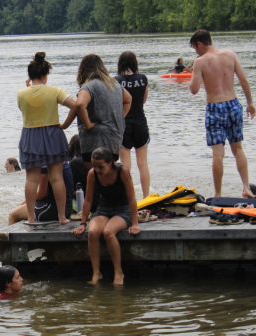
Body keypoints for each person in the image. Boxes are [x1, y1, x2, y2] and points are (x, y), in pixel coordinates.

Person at [18, 52, 94, 225]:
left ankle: (30, 218)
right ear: (45, 75)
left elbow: (24, 111)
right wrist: (65, 124)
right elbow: (76, 106)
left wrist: (27, 88)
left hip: (31, 136)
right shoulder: (54, 91)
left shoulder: (21, 93)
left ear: (29, 76)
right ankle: (62, 217)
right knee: (56, 177)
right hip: (53, 134)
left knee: (31, 179)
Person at [189, 29, 256, 198]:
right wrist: (250, 103)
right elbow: (243, 80)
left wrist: (195, 71)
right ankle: (246, 188)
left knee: (218, 153)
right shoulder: (230, 55)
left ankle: (218, 194)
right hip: (234, 105)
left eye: (195, 49)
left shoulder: (200, 62)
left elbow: (194, 90)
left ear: (199, 44)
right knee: (238, 149)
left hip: (215, 107)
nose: (196, 52)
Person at [72, 147, 139, 286]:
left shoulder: (123, 172)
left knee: (108, 232)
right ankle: (96, 272)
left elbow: (132, 199)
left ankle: (118, 272)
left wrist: (135, 223)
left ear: (110, 163)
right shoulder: (92, 174)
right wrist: (82, 224)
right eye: (94, 166)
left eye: (100, 166)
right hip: (103, 209)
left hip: (122, 210)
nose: (97, 170)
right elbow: (88, 200)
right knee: (92, 232)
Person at [73, 54, 132, 171]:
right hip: (114, 139)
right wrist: (119, 118)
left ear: (83, 70)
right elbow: (129, 99)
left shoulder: (89, 86)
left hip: (94, 141)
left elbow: (80, 105)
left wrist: (88, 125)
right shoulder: (115, 84)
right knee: (109, 177)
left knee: (95, 177)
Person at [115, 51, 151, 198]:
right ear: (135, 63)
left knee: (125, 165)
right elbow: (143, 100)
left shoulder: (115, 81)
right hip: (141, 122)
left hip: (124, 124)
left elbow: (116, 103)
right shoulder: (143, 79)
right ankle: (146, 197)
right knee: (143, 164)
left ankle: (127, 198)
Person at [8, 162, 74, 225]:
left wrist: (29, 200)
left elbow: (41, 194)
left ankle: (6, 237)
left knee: (13, 215)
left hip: (51, 209)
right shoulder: (63, 163)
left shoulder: (45, 166)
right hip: (68, 208)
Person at [69, 135, 100, 213]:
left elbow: (73, 191)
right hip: (102, 205)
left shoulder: (74, 163)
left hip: (88, 206)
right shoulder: (99, 160)